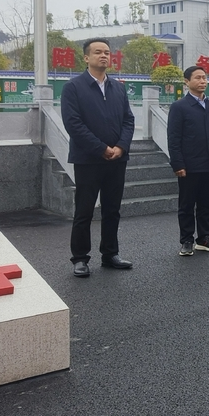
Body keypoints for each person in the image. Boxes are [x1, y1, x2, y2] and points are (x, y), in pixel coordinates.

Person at [61, 37, 136, 277]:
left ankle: (110, 253)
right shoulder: (74, 87)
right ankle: (80, 258)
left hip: (117, 160)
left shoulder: (118, 88)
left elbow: (128, 120)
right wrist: (102, 148)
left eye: (107, 52)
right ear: (86, 57)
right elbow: (73, 124)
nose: (103, 56)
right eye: (97, 52)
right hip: (88, 160)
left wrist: (121, 147)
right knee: (84, 210)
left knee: (112, 209)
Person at [168, 65, 209, 256]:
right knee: (186, 205)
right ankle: (186, 240)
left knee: (207, 205)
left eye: (204, 78)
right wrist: (178, 163)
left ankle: (204, 238)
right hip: (190, 165)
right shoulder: (179, 107)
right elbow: (174, 138)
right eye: (197, 78)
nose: (202, 81)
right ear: (187, 82)